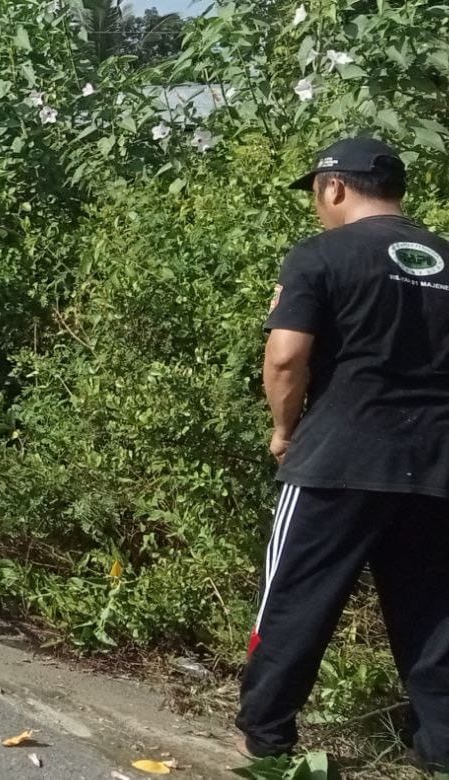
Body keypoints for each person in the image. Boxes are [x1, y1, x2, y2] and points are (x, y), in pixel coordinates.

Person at [239, 137, 449, 770]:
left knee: (297, 597)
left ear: (333, 187)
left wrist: (283, 430)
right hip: (439, 462)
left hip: (338, 456)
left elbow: (285, 355)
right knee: (436, 612)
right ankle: (440, 753)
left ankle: (268, 742)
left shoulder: (321, 255)